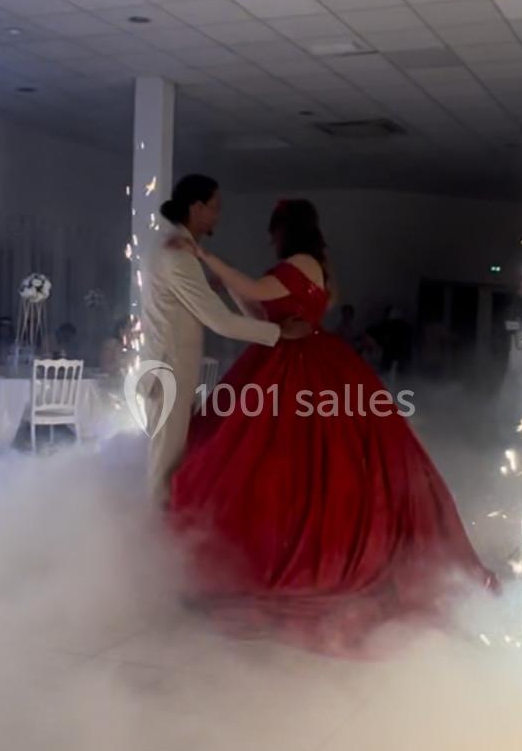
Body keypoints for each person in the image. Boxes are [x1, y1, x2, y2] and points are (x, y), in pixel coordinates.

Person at [167, 199, 498, 652]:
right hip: (296, 358)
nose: (271, 238)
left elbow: (255, 290)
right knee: (266, 455)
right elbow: (256, 305)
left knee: (285, 458)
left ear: (286, 229)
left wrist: (205, 256)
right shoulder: (305, 265)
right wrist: (222, 281)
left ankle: (293, 550)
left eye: (274, 230)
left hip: (299, 366)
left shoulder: (301, 262)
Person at [141, 174, 307, 506]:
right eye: (215, 208)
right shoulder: (177, 255)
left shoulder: (179, 248)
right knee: (165, 466)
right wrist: (278, 332)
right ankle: (151, 543)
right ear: (196, 207)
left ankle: (164, 537)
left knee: (175, 460)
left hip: (173, 370)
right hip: (169, 373)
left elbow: (211, 294)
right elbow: (219, 321)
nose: (218, 216)